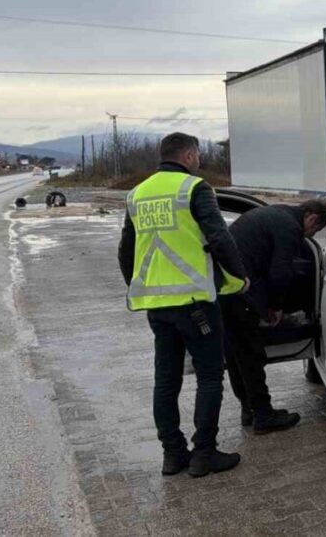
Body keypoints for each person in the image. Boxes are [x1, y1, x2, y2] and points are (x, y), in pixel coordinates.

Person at [118, 132, 250, 477]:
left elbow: (125, 251)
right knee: (209, 376)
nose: (199, 162)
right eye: (198, 156)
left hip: (157, 307)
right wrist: (240, 277)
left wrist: (139, 286)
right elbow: (220, 236)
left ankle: (173, 455)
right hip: (195, 303)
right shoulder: (193, 188)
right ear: (189, 156)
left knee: (166, 381)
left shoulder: (138, 194)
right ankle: (204, 454)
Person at [222, 199, 326, 432]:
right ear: (312, 218)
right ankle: (263, 415)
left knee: (236, 354)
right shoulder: (289, 227)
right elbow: (281, 271)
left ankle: (249, 409)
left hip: (225, 287)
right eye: (316, 230)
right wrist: (276, 307)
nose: (311, 235)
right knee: (250, 353)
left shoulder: (273, 214)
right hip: (241, 291)